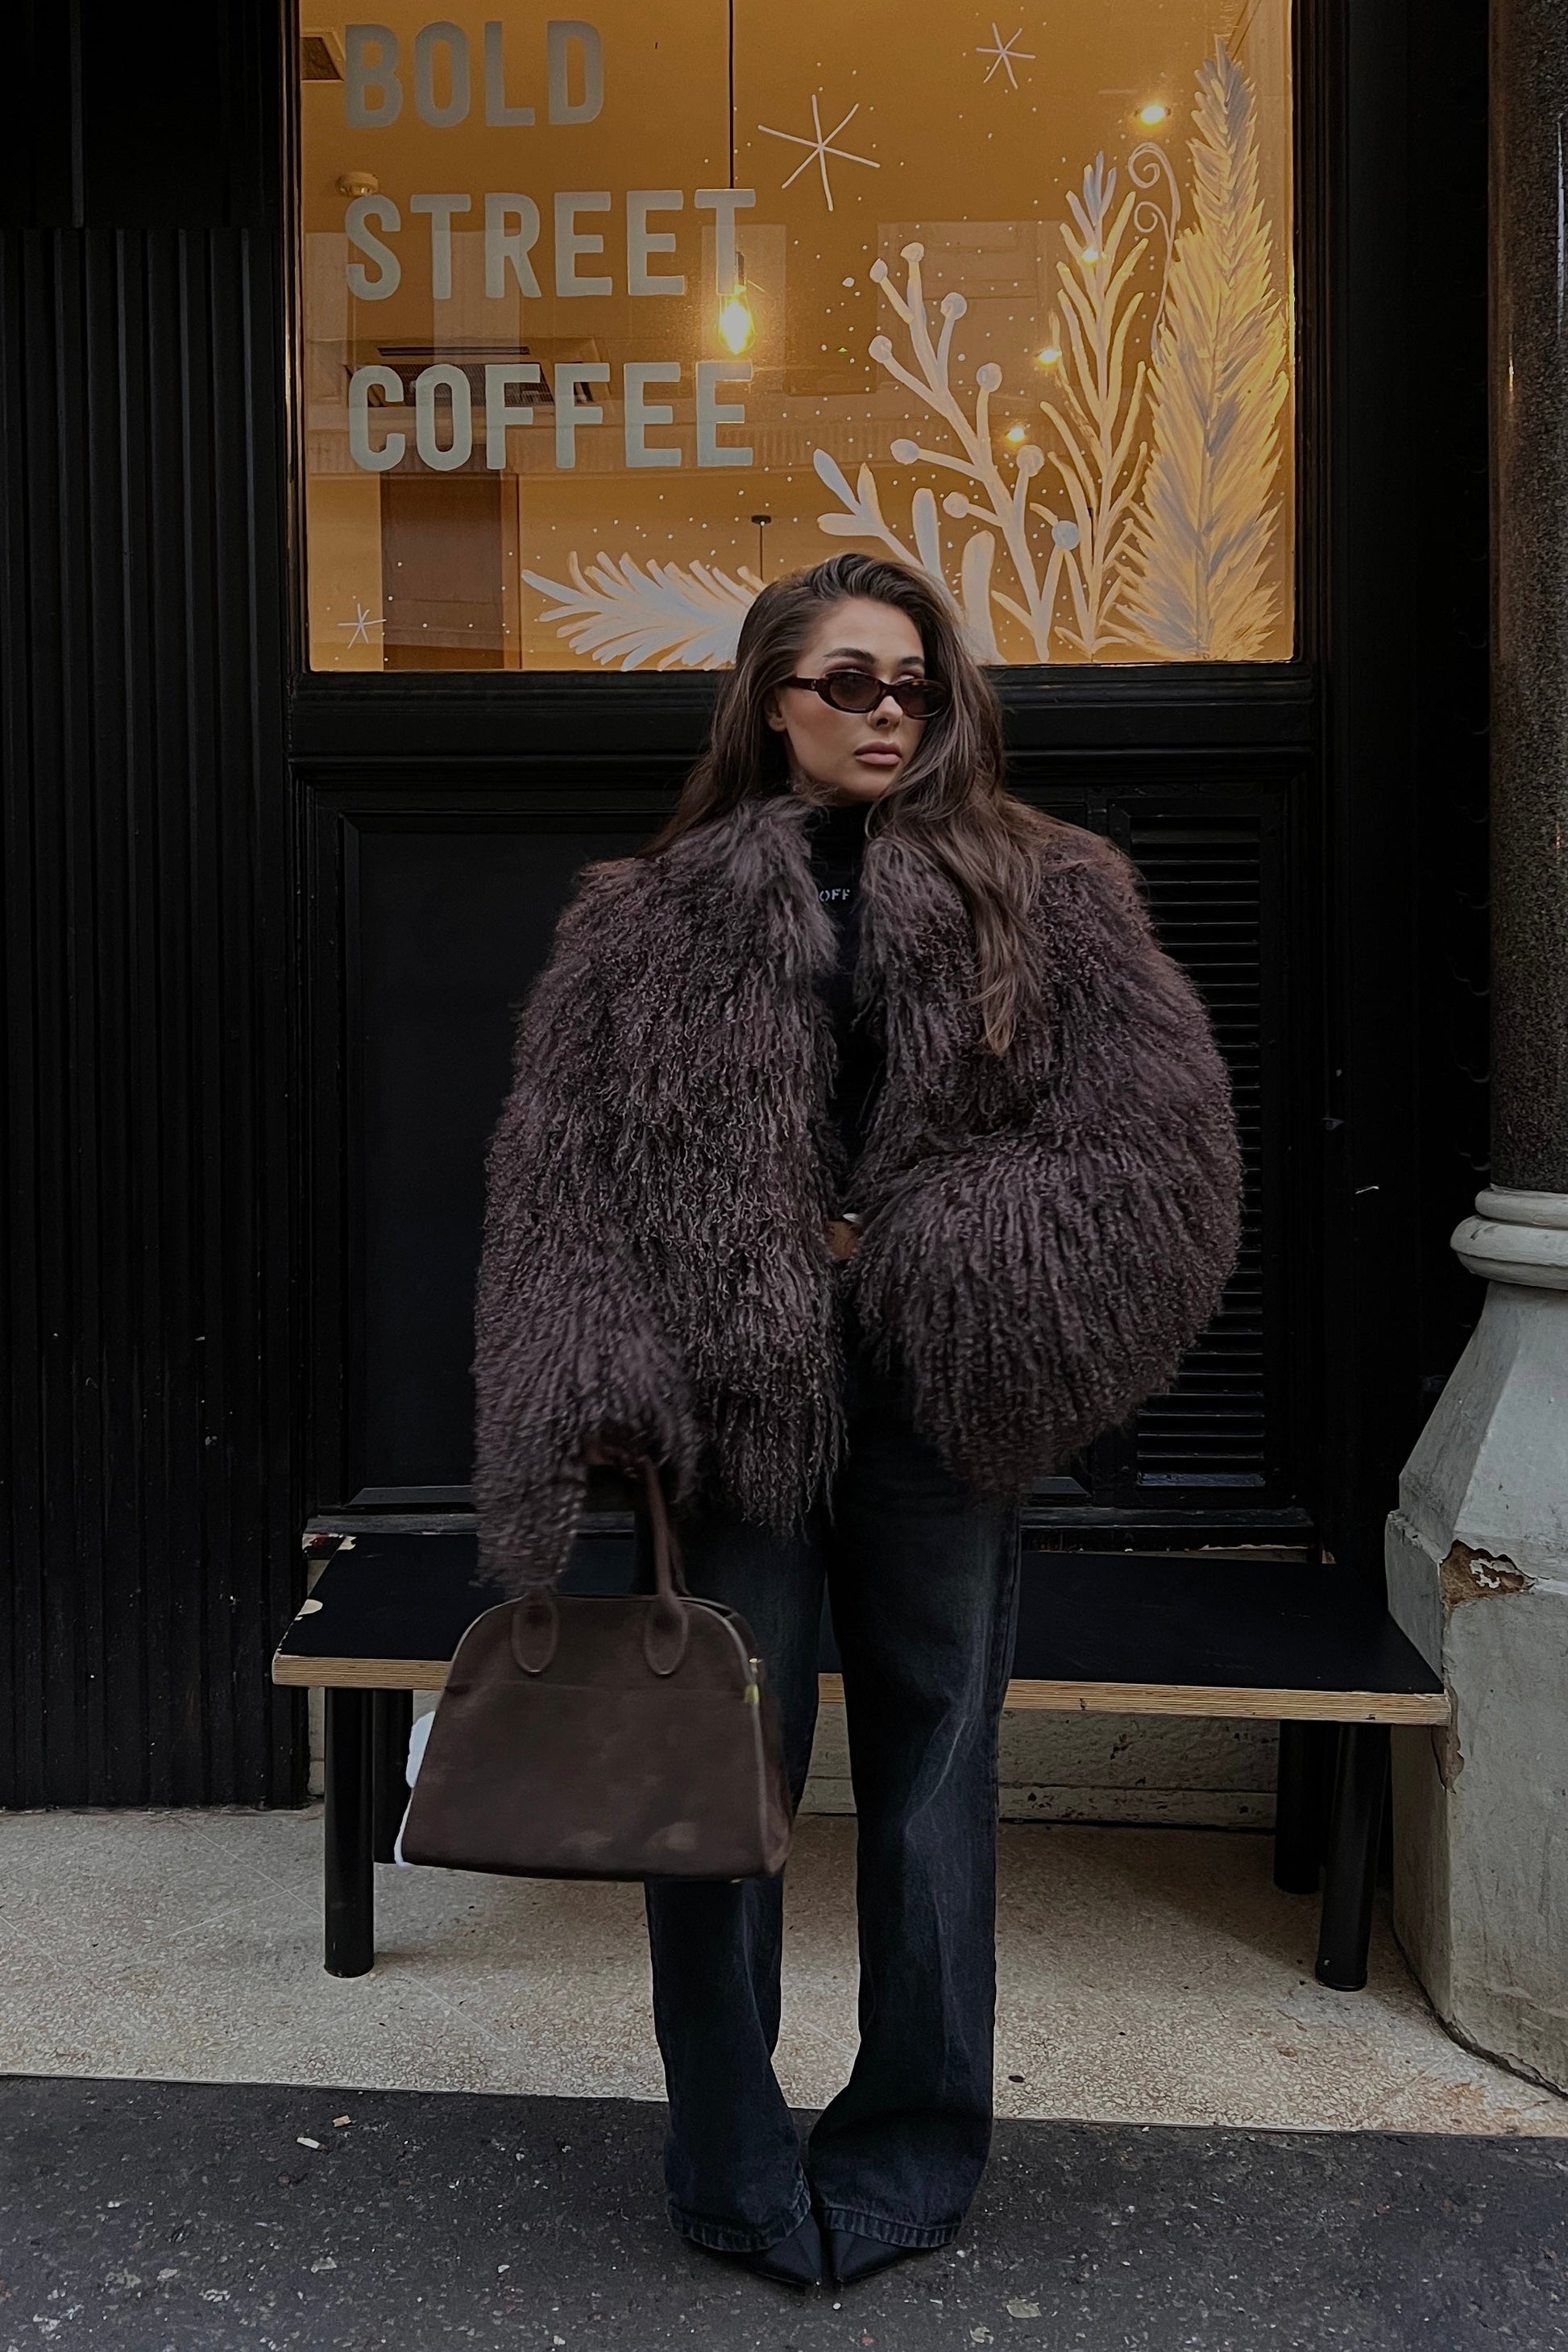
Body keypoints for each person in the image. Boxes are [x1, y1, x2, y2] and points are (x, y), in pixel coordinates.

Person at [471, 551, 1241, 2291]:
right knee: (715, 1792)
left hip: (938, 1401)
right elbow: (560, 1171)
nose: (891, 711)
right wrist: (597, 1376)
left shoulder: (1050, 894)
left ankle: (910, 2142)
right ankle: (729, 2158)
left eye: (916, 683)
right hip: (735, 1406)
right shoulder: (645, 914)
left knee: (933, 1781)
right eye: (850, 681)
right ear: (767, 696)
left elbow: (1154, 1154)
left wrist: (904, 1244)